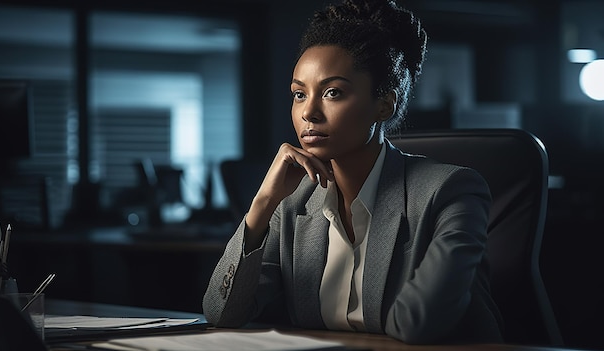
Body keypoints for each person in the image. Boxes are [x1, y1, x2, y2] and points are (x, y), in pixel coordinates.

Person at [203, 0, 504, 344]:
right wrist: (262, 203)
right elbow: (221, 313)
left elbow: (418, 323)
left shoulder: (452, 192)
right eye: (299, 94)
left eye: (333, 92)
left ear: (384, 104)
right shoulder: (292, 204)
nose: (309, 113)